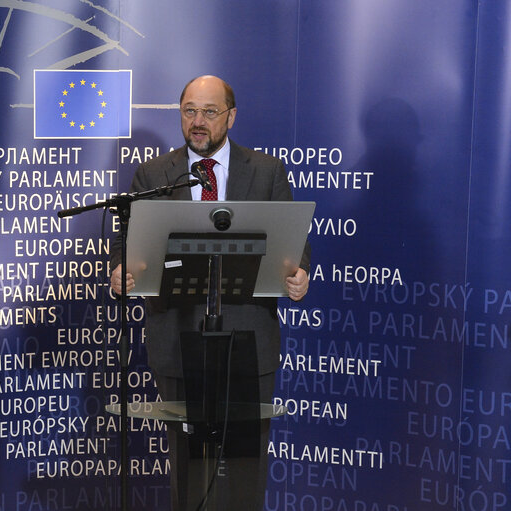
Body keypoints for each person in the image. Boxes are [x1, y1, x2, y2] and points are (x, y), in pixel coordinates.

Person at [109, 75, 310, 510]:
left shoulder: (267, 171)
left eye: (209, 112)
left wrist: (299, 275)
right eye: (189, 111)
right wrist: (120, 270)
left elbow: (294, 245)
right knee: (188, 468)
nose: (197, 121)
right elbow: (126, 243)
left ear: (231, 117)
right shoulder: (153, 174)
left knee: (244, 469)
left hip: (248, 338)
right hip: (176, 337)